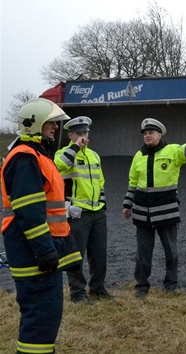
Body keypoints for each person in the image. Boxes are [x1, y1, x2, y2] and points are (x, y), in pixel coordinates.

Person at [1, 98, 82, 354]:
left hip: (37, 252)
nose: (55, 128)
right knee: (41, 317)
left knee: (43, 316)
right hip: (34, 254)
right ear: (34, 124)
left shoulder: (35, 156)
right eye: (50, 123)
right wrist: (45, 251)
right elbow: (29, 213)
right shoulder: (25, 158)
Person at [122, 118, 186, 298]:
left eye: (151, 133)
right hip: (142, 213)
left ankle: (170, 284)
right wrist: (127, 205)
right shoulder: (139, 155)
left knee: (171, 251)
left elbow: (185, 152)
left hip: (166, 212)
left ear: (159, 135)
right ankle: (142, 286)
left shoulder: (171, 151)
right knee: (143, 253)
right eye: (145, 134)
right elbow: (133, 183)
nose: (147, 136)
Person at [54, 116, 113, 303]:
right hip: (77, 214)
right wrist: (74, 148)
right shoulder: (63, 153)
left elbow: (100, 181)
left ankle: (97, 288)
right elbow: (59, 166)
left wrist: (102, 205)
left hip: (97, 212)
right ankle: (77, 293)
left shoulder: (94, 155)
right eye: (79, 133)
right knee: (76, 256)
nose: (83, 136)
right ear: (70, 135)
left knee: (99, 255)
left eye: (85, 132)